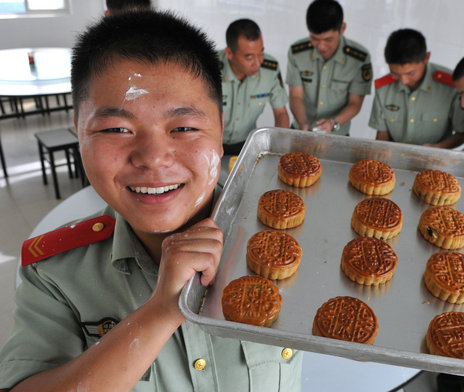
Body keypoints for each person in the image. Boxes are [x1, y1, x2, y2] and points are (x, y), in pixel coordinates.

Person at [0, 11, 302, 391]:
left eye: (185, 128)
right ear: (78, 130)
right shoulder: (55, 275)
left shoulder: (286, 237)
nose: (154, 157)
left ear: (222, 126)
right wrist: (160, 312)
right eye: (116, 129)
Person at [369, 28, 464, 147]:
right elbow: (382, 136)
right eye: (395, 73)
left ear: (426, 58)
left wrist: (436, 149)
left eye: (410, 73)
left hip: (435, 161)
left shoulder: (451, 86)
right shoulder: (383, 89)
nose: (403, 81)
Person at [286, 0, 372, 135]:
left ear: (342, 29)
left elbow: (355, 103)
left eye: (328, 39)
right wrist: (303, 125)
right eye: (314, 38)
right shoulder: (297, 52)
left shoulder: (359, 59)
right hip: (300, 130)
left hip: (337, 135)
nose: (321, 46)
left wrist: (333, 122)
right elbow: (295, 96)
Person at [219, 18, 289, 156]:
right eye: (249, 57)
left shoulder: (270, 69)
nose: (258, 63)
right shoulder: (207, 67)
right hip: (211, 143)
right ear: (229, 53)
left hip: (246, 145)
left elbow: (281, 113)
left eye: (261, 53)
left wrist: (279, 148)